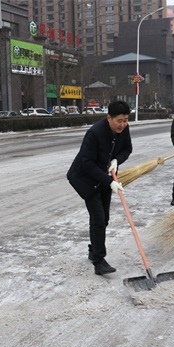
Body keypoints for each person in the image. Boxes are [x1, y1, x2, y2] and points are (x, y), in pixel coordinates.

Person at [67, 100, 133, 275]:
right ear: (108, 118)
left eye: (126, 120)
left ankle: (93, 249)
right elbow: (87, 163)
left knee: (104, 219)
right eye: (119, 121)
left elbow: (127, 148)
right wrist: (109, 181)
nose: (123, 124)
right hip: (85, 178)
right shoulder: (94, 133)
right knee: (98, 217)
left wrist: (116, 159)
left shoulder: (124, 129)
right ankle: (98, 260)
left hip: (105, 176)